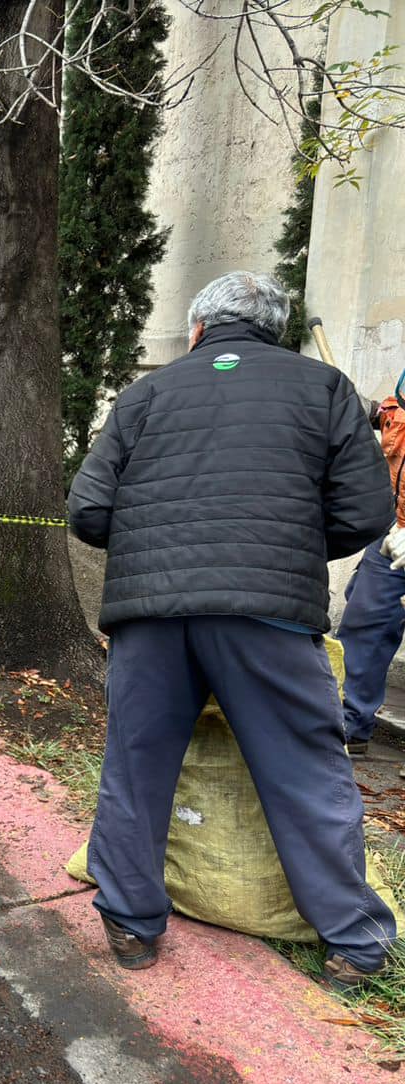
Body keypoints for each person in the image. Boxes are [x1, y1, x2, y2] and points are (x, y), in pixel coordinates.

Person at [67, 270, 397, 995]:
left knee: (136, 767)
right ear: (273, 330)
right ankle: (355, 945)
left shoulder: (145, 394)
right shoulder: (324, 388)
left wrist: (157, 546)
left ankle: (129, 924)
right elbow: (370, 510)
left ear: (198, 330)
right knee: (307, 770)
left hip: (149, 618)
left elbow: (89, 512)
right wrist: (289, 552)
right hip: (268, 617)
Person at [334, 371, 405, 758]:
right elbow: (391, 415)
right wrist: (361, 407)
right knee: (365, 619)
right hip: (395, 530)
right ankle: (349, 723)